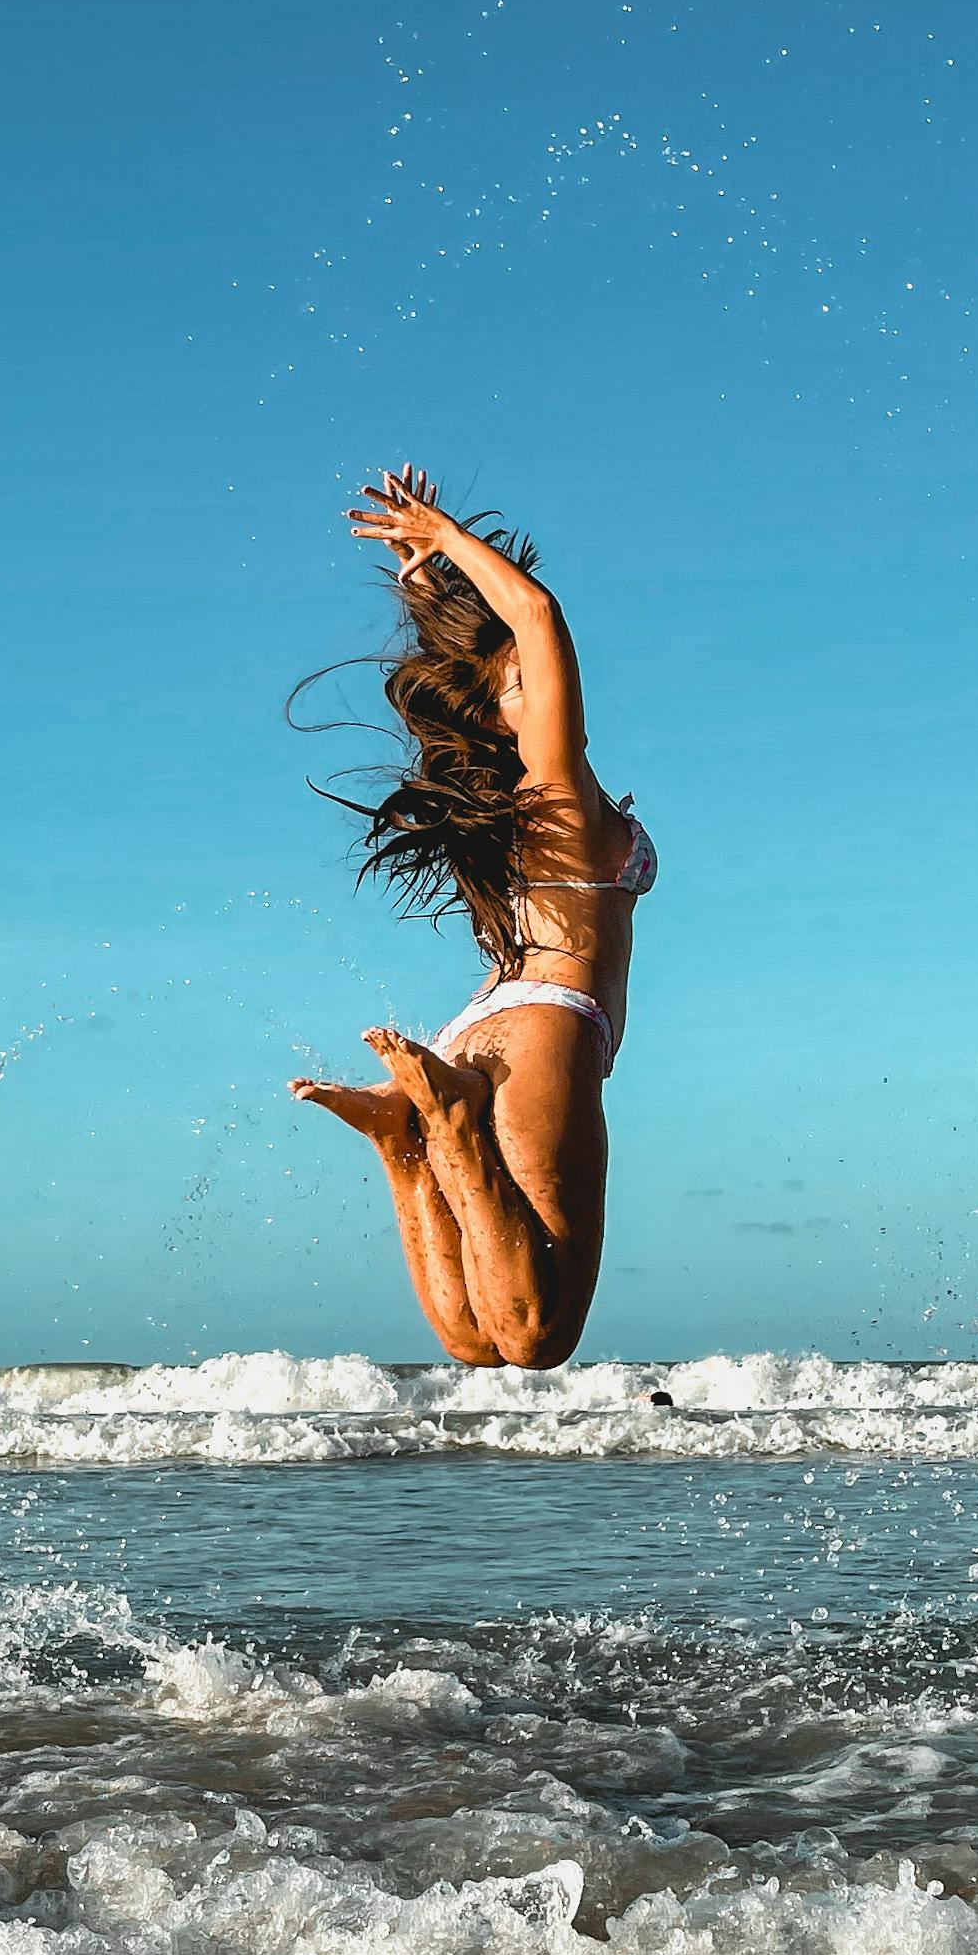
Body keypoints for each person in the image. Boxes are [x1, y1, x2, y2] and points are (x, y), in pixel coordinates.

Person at [291, 465, 655, 1367]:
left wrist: (428, 587)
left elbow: (516, 636)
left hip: (485, 1023)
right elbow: (538, 615)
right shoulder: (555, 783)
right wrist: (449, 536)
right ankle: (446, 1121)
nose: (547, 687)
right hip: (549, 1021)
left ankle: (404, 1144)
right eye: (524, 683)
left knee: (473, 1340)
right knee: (536, 1336)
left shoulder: (523, 807)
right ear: (498, 717)